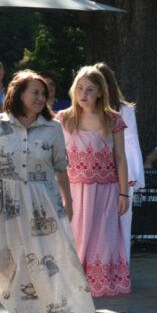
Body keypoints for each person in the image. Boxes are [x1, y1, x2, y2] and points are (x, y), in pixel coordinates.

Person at [0, 71, 95, 313]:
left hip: (41, 201)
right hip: (3, 199)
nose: (40, 97)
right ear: (19, 94)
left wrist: (67, 201)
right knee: (5, 259)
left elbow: (61, 168)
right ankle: (20, 308)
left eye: (43, 93)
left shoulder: (53, 128)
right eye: (34, 92)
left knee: (39, 258)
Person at [56, 67, 130, 297]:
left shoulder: (112, 119)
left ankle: (102, 282)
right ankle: (74, 284)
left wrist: (124, 193)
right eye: (79, 88)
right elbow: (56, 159)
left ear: (100, 92)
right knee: (75, 235)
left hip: (106, 189)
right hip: (74, 189)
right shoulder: (63, 118)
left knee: (103, 237)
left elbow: (120, 158)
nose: (83, 93)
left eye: (89, 89)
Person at [95, 62, 145, 266]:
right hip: (96, 171)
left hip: (122, 172)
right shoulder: (86, 111)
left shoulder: (124, 109)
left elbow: (131, 140)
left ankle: (122, 266)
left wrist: (133, 173)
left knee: (123, 221)